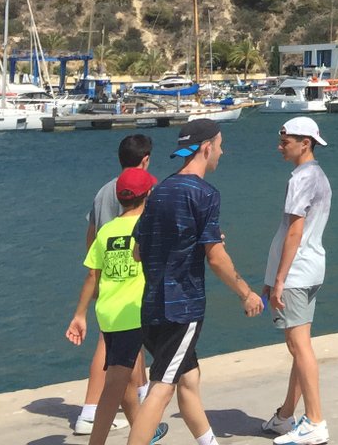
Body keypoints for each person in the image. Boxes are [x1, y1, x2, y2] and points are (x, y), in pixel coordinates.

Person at [125, 119, 266, 445]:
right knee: (162, 388)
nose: (222, 152)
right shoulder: (205, 195)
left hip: (151, 308)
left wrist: (191, 241)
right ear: (206, 147)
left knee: (188, 379)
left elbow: (137, 252)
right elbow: (216, 258)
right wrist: (246, 293)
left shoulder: (158, 191)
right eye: (220, 145)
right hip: (182, 310)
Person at [65, 167, 167, 445]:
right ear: (148, 194)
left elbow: (92, 275)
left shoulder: (107, 230)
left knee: (128, 381)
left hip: (108, 314)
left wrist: (79, 314)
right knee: (114, 385)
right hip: (132, 314)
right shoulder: (147, 229)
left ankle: (144, 434)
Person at [259, 117, 333, 444]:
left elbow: (294, 231)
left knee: (298, 347)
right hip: (310, 268)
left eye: (285, 141)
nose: (280, 146)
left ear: (305, 143)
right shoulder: (318, 176)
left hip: (297, 272)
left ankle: (315, 421)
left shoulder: (302, 179)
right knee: (300, 347)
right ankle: (286, 415)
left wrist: (278, 280)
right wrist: (273, 276)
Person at [77, 134, 154, 437]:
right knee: (117, 372)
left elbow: (92, 236)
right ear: (145, 160)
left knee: (126, 362)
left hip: (107, 285)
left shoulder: (103, 192)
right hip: (130, 297)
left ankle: (142, 427)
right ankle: (90, 412)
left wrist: (97, 277)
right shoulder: (148, 195)